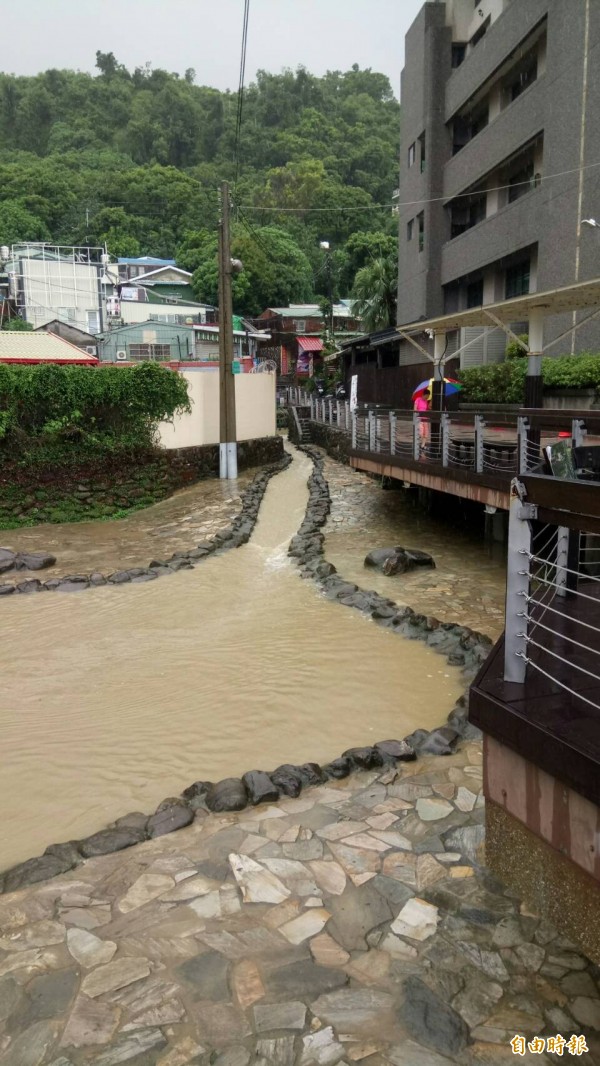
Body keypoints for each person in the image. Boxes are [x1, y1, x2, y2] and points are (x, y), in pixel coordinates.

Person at [414, 389, 430, 455]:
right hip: (419, 418)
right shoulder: (418, 399)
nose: (428, 397)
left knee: (426, 433)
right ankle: (417, 444)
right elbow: (415, 409)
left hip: (425, 418)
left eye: (428, 396)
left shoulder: (426, 401)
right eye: (427, 395)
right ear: (424, 394)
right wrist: (417, 415)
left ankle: (422, 446)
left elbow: (427, 409)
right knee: (420, 432)